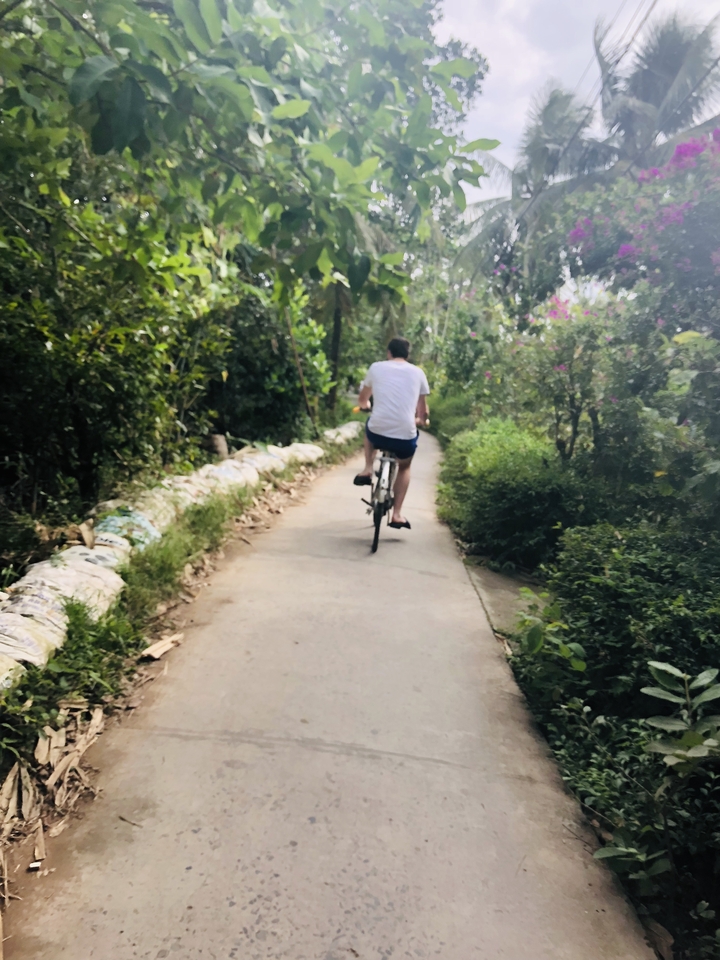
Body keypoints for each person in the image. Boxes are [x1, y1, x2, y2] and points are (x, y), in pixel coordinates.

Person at [353, 337, 430, 530]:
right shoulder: (418, 373)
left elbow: (363, 399)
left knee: (369, 427)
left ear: (389, 353)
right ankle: (396, 514)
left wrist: (365, 406)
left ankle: (368, 468)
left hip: (378, 431)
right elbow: (423, 412)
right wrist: (421, 420)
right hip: (405, 435)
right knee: (404, 467)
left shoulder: (376, 368)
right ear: (407, 355)